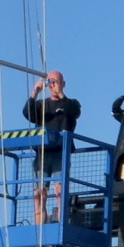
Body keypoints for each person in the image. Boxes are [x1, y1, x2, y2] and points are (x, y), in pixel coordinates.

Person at [22, 70, 81, 223]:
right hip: (42, 153)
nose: (52, 85)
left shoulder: (71, 103)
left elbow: (73, 112)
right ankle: (40, 230)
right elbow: (27, 113)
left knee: (61, 193)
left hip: (60, 153)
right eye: (50, 81)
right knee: (39, 195)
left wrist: (60, 94)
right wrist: (35, 92)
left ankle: (61, 227)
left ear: (63, 84)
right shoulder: (42, 105)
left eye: (56, 81)